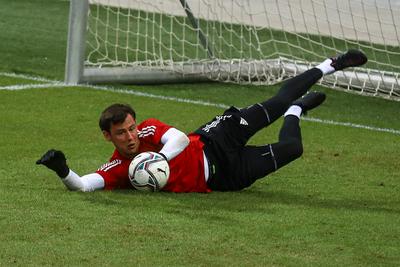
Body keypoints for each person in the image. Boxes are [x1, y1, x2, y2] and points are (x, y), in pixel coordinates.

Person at [36, 50, 367, 193]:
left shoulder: (149, 130)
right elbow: (84, 185)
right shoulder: (119, 167)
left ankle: (329, 65)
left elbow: (179, 139)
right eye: (121, 133)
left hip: (215, 138)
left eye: (132, 128)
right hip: (223, 177)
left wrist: (156, 160)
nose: (131, 136)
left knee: (276, 102)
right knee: (293, 147)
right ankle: (299, 110)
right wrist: (62, 169)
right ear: (108, 137)